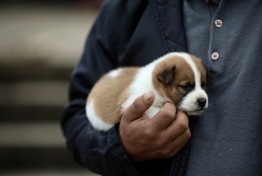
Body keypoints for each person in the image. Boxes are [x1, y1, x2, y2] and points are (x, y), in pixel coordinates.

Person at [61, 0, 262, 175]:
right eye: (186, 87)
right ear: (162, 80)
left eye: (203, 85)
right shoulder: (126, 7)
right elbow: (77, 120)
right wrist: (121, 146)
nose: (202, 96)